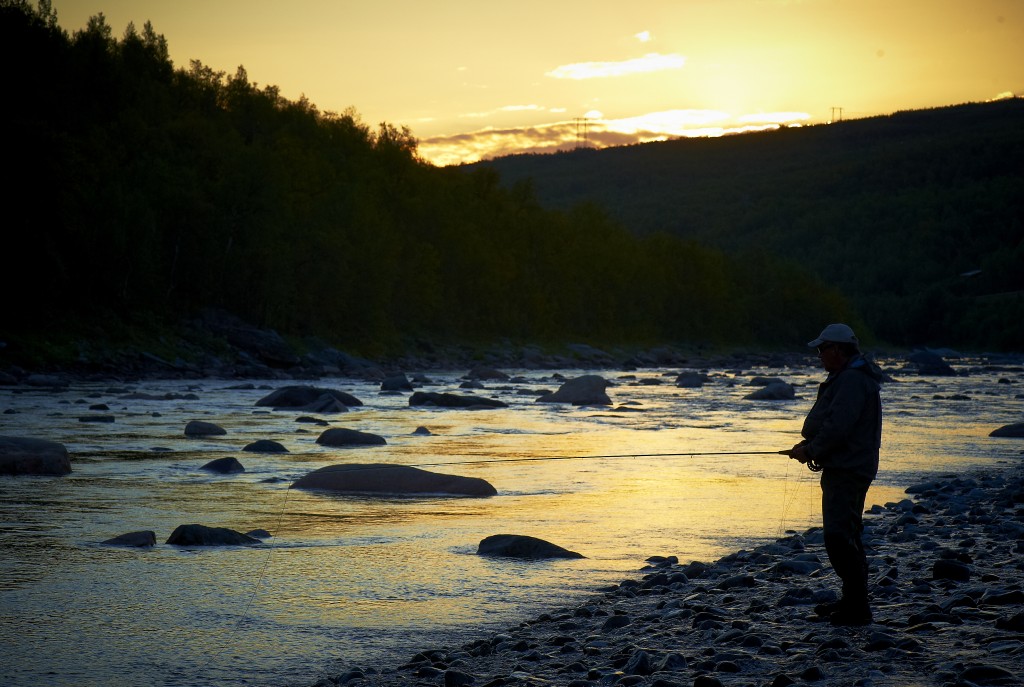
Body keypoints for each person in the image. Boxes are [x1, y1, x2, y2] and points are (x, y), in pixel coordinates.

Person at [786, 323, 883, 626]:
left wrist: (811, 451)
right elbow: (835, 425)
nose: (819, 355)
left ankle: (857, 608)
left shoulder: (852, 380)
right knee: (847, 534)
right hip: (846, 465)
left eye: (822, 349)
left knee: (839, 537)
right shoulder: (848, 376)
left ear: (838, 350)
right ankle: (852, 601)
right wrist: (810, 447)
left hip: (848, 469)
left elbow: (839, 427)